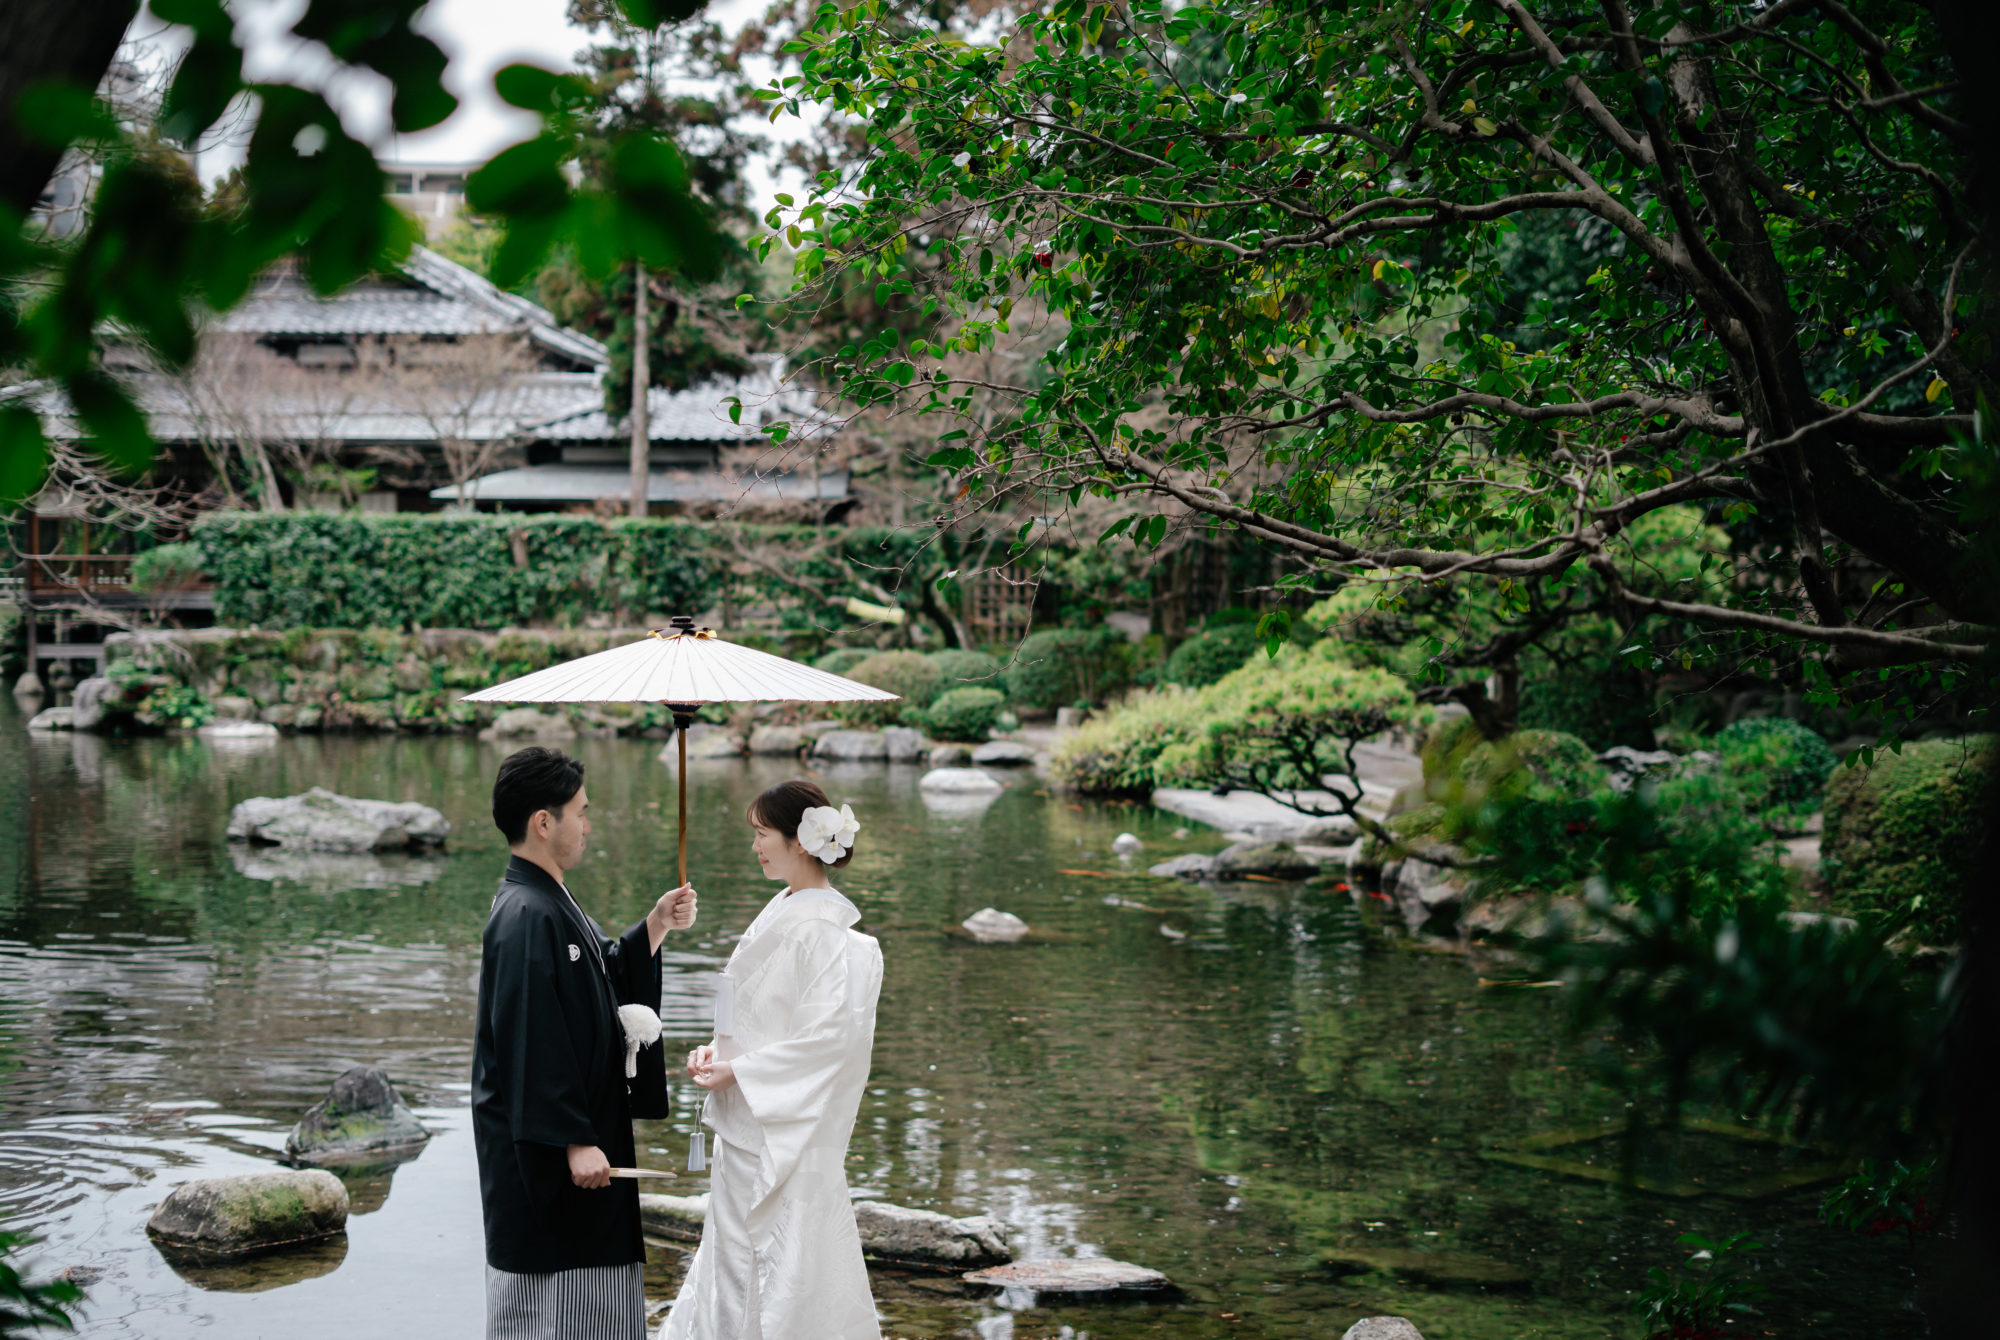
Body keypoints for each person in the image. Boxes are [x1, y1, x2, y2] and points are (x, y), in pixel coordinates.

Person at [473, 746, 698, 1340]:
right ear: (543, 823)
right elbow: (532, 1039)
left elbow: (597, 977)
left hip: (578, 1136)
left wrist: (654, 925)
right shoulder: (526, 912)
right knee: (556, 1304)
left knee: (593, 1298)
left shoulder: (549, 899)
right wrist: (573, 1140)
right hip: (549, 1153)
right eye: (581, 810)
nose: (588, 824)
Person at [664, 780, 884, 1340]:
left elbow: (830, 1038)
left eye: (763, 834)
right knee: (733, 1251)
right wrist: (721, 1050)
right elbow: (763, 1012)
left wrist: (741, 1068)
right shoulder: (786, 906)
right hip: (750, 1110)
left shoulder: (822, 928)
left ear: (802, 841)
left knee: (769, 1254)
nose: (755, 846)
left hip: (774, 1122)